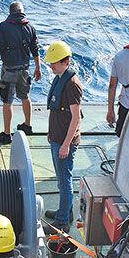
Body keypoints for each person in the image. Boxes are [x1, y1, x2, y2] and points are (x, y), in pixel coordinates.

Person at [0, 1, 42, 145]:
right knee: (25, 97)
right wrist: (38, 67)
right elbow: (35, 49)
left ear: (10, 13)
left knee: (7, 101)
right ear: (22, 12)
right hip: (25, 69)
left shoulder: (3, 26)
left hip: (9, 70)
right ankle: (27, 126)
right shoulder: (30, 27)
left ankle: (7, 134)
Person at [43, 41, 81, 231]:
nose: (51, 66)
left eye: (54, 62)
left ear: (65, 61)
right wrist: (51, 132)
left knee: (64, 181)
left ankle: (62, 221)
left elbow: (75, 118)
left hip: (64, 142)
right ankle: (66, 211)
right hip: (57, 137)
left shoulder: (72, 85)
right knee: (61, 178)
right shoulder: (59, 77)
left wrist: (66, 144)